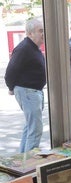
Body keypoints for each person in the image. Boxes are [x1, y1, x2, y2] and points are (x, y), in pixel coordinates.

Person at [4, 18, 46, 153]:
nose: (43, 34)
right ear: (30, 33)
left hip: (32, 92)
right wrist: (11, 88)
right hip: (28, 92)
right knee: (35, 129)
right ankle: (30, 164)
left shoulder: (33, 48)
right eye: (40, 31)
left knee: (30, 127)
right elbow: (10, 72)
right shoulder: (24, 48)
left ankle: (23, 160)